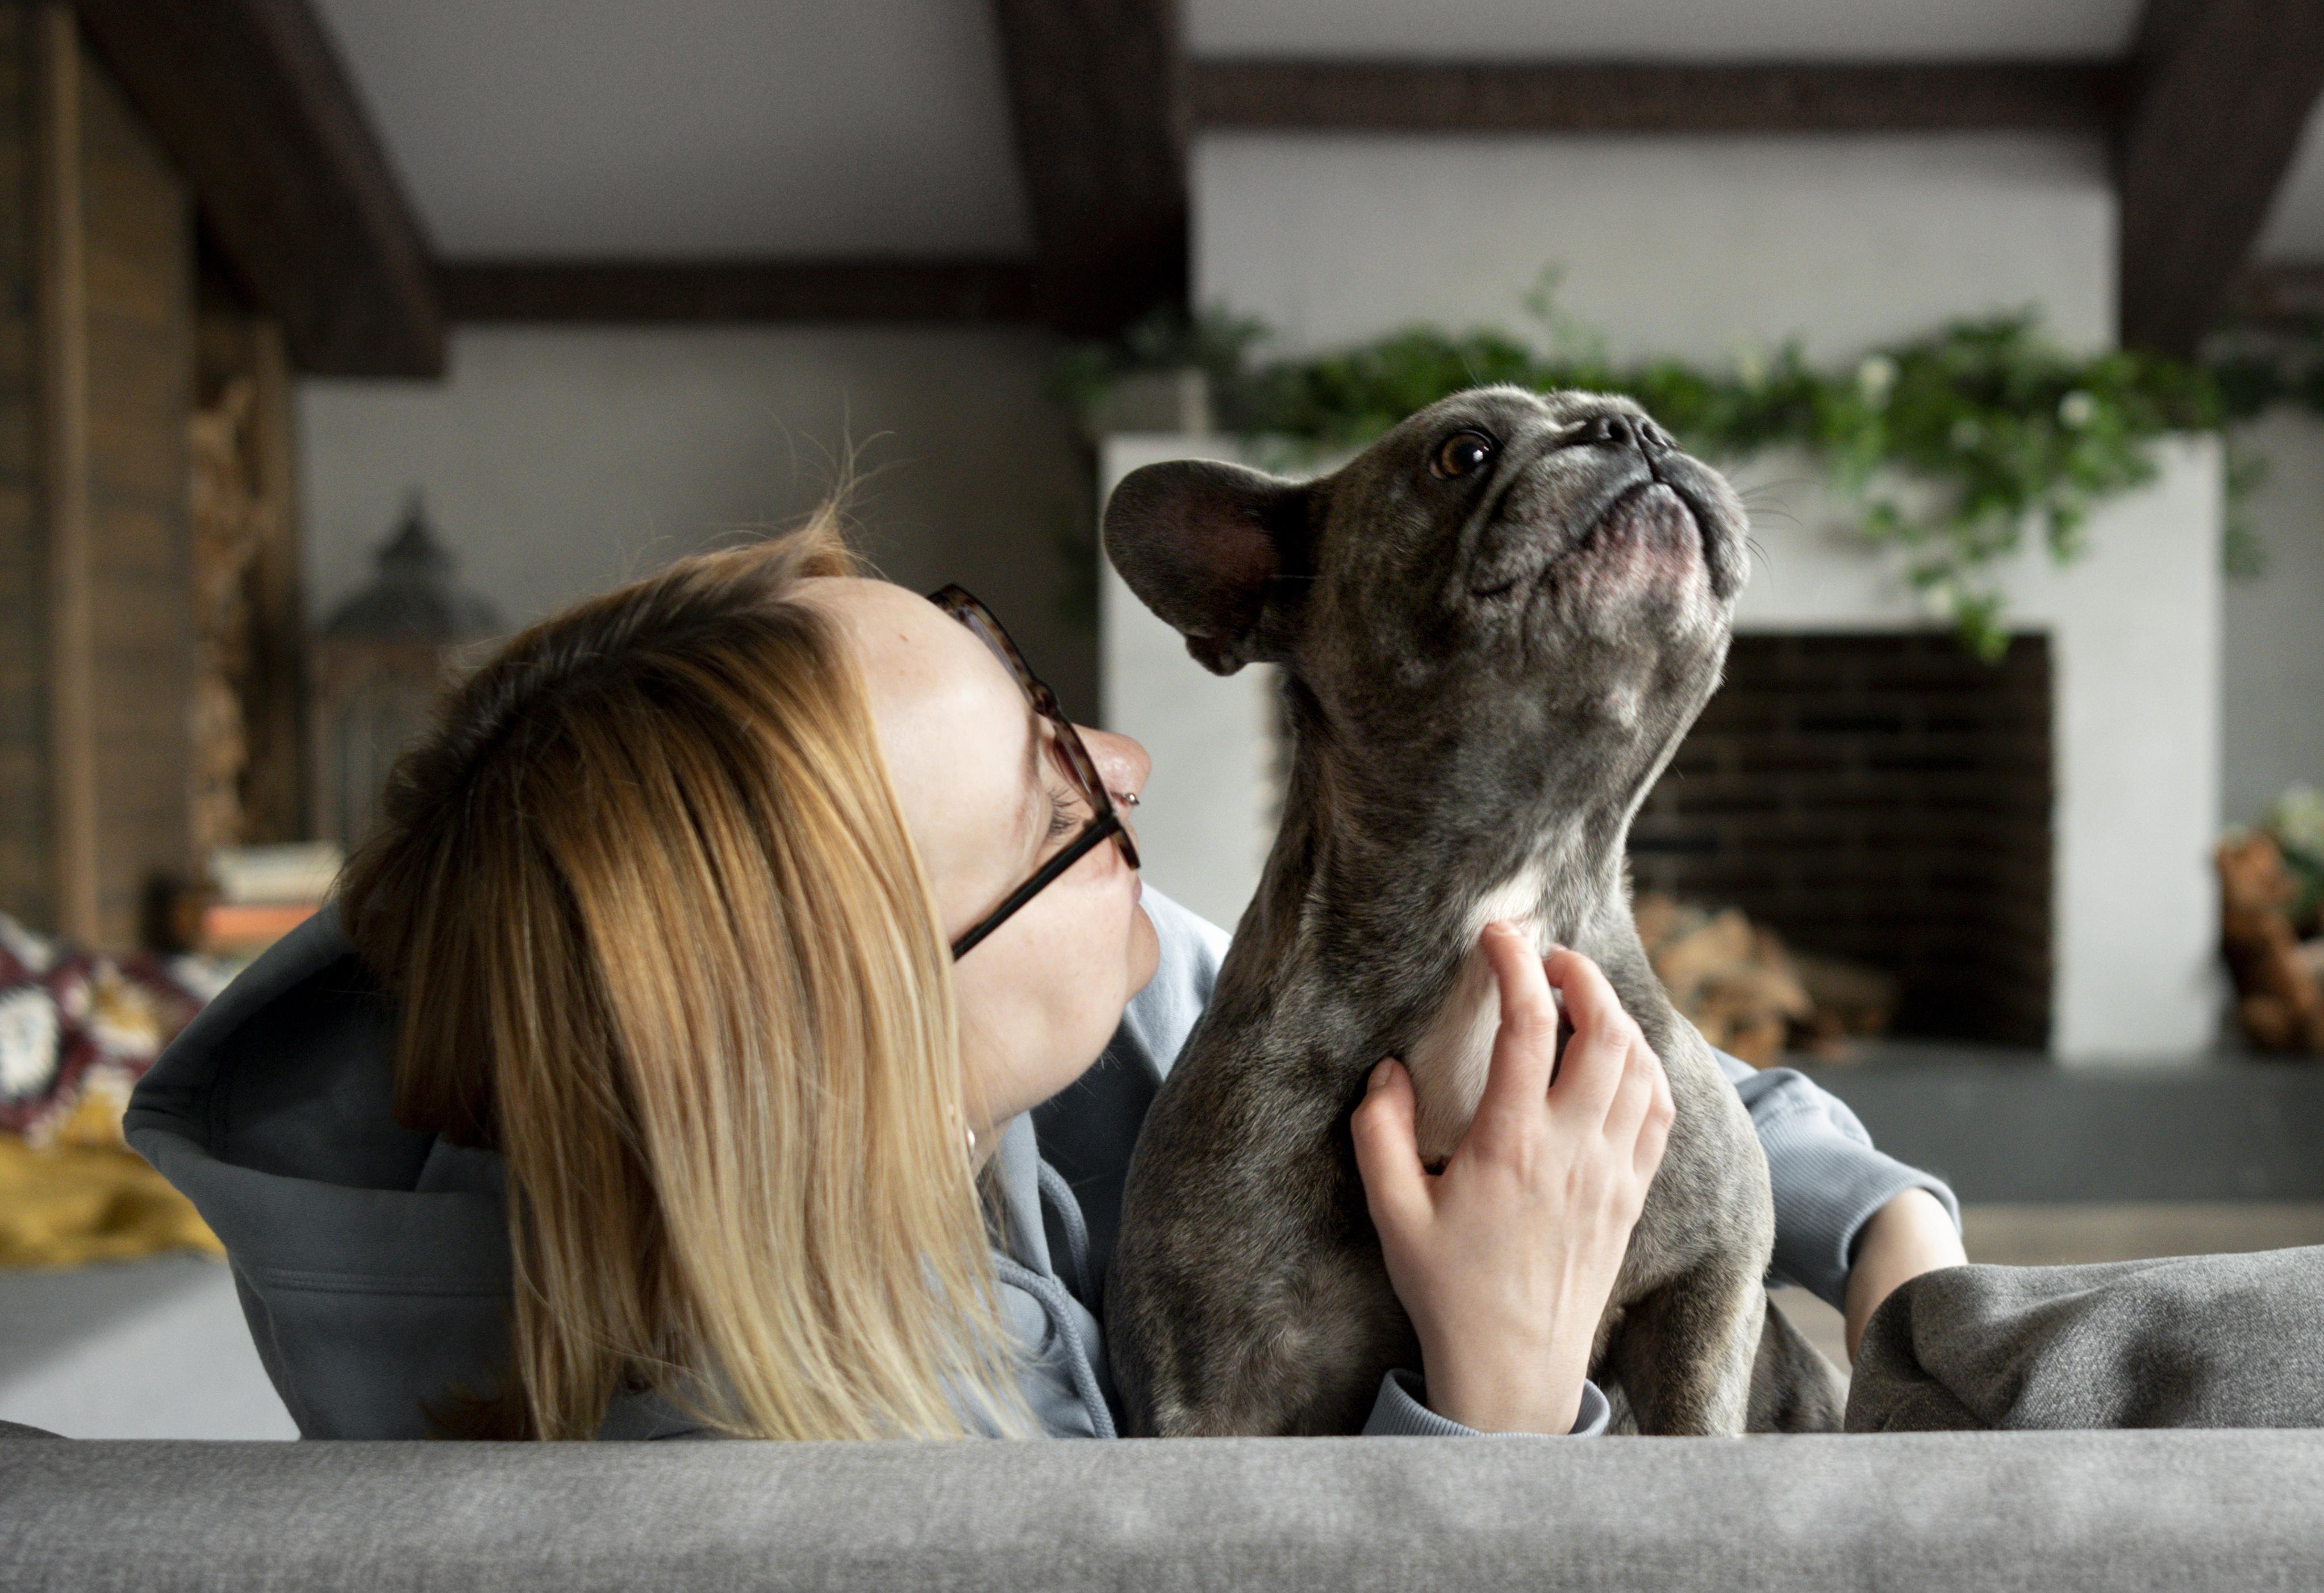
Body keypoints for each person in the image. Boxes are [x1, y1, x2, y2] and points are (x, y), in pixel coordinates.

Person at [129, 517, 1964, 1443]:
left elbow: (1589, 1060)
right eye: (1060, 804)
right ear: (861, 1067)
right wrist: (1509, 1382)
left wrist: (1882, 1224)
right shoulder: (891, 1450)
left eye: (1024, 684)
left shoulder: (983, 1034)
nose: (1131, 764)